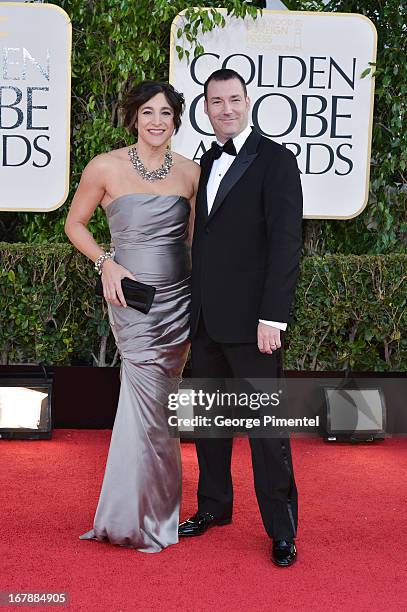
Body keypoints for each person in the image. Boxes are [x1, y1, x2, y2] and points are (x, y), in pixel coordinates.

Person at [65, 81, 200, 552]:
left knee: (162, 408)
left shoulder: (191, 173)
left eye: (166, 113)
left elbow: (190, 241)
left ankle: (145, 511)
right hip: (130, 299)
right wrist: (107, 264)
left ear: (176, 120)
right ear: (134, 118)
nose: (157, 121)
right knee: (149, 402)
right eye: (148, 112)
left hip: (178, 301)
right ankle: (143, 518)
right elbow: (74, 223)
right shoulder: (106, 166)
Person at [178, 69, 303, 567]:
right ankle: (213, 509)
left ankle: (282, 530)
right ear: (205, 109)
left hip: (255, 324)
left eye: (234, 99)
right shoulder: (205, 162)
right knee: (210, 424)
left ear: (247, 101)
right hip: (205, 320)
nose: (225, 108)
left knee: (267, 432)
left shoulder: (276, 161)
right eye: (216, 101)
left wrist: (274, 317)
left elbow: (287, 245)